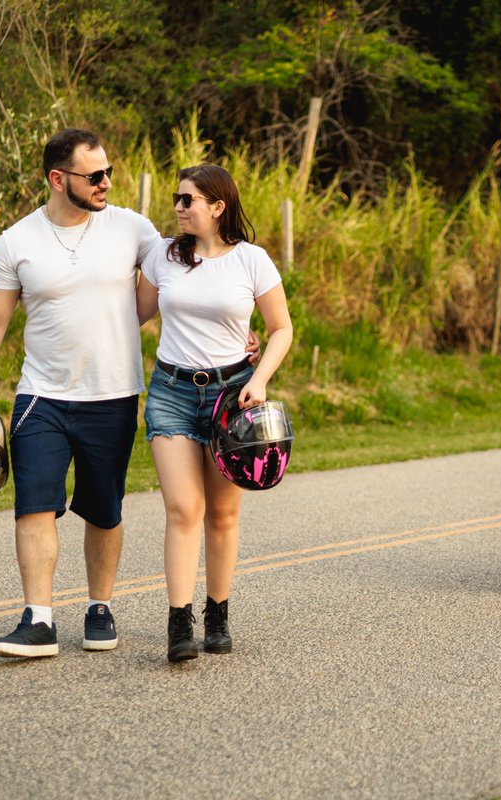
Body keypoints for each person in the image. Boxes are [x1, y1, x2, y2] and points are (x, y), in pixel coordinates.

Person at [0, 129, 246, 658]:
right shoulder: (16, 241)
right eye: (95, 175)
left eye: (110, 171)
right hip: (41, 394)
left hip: (113, 395)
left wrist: (235, 331)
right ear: (58, 179)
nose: (108, 182)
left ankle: (98, 607)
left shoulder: (132, 229)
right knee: (33, 504)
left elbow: (191, 269)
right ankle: (38, 619)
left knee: (103, 510)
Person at [136, 164, 293, 664]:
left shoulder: (252, 260)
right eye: (177, 199)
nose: (179, 207)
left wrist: (260, 378)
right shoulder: (162, 255)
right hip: (171, 392)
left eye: (189, 200)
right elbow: (131, 314)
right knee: (184, 509)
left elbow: (281, 329)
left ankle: (217, 614)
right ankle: (179, 623)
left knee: (223, 514)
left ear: (217, 206)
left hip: (232, 398)